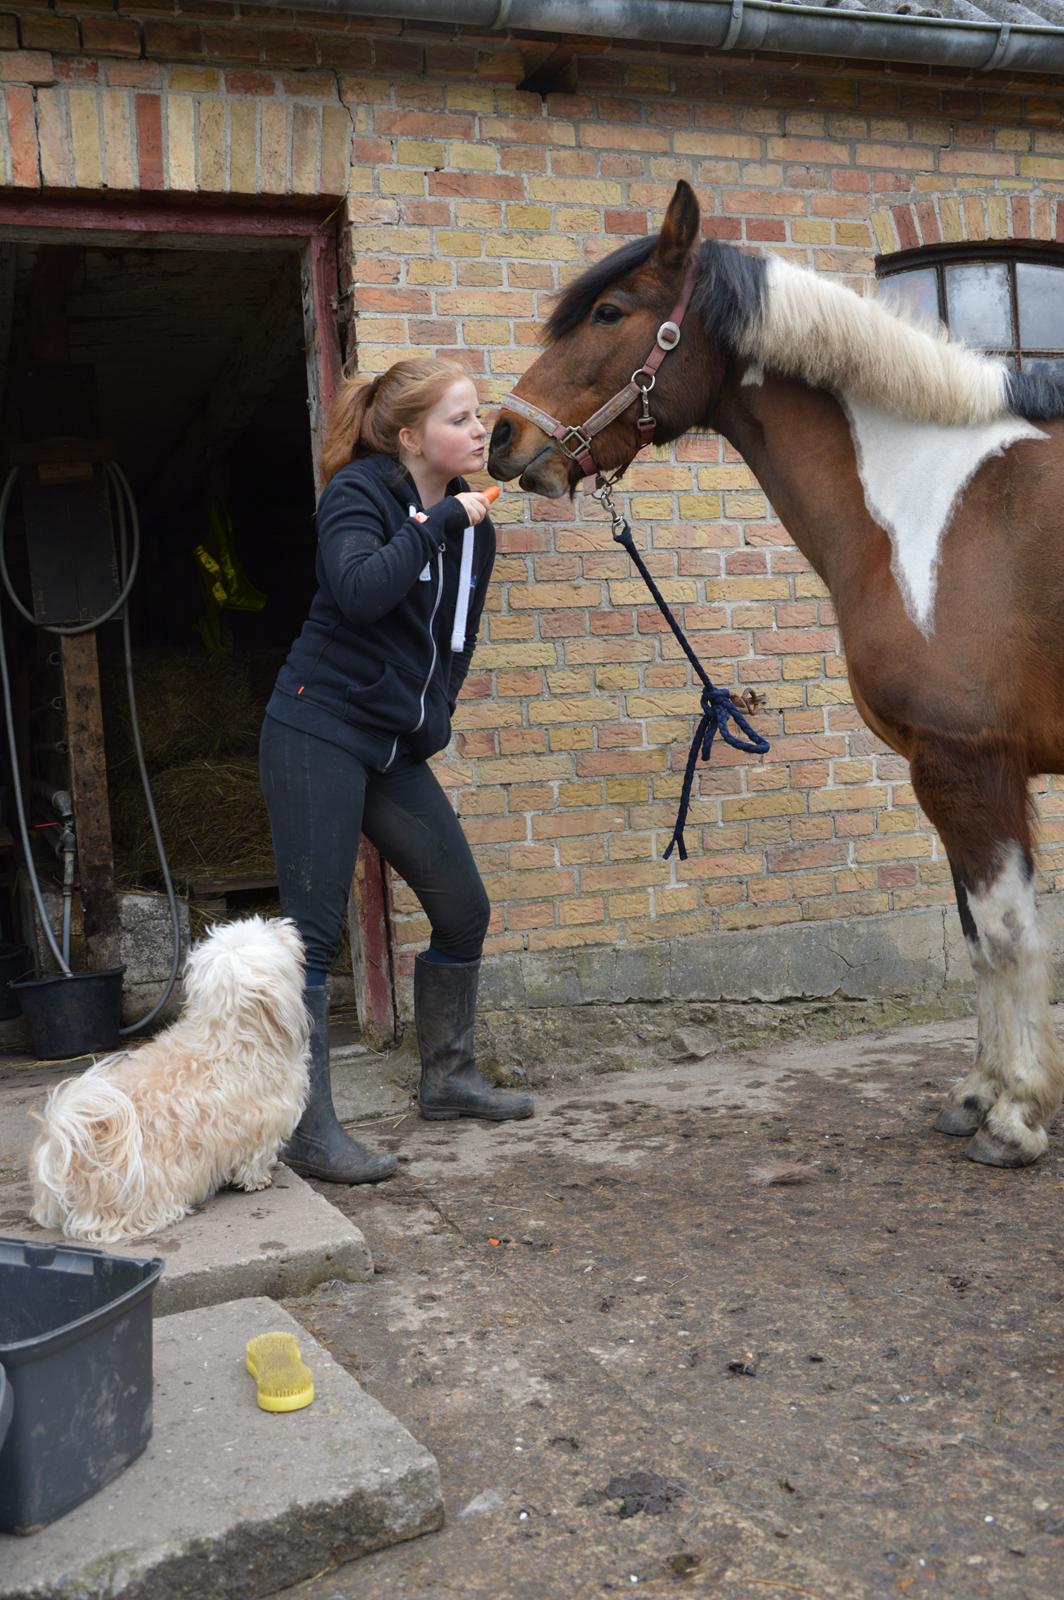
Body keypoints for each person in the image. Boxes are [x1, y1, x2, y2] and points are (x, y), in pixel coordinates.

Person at [260, 357, 533, 1185]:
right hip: (317, 730)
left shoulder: (475, 528)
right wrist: (439, 521)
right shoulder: (362, 494)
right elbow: (357, 590)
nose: (479, 429)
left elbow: (456, 635)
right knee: (310, 938)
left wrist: (435, 714)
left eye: (477, 416)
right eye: (460, 419)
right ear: (412, 436)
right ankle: (308, 1131)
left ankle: (447, 1079)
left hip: (390, 746)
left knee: (464, 911)